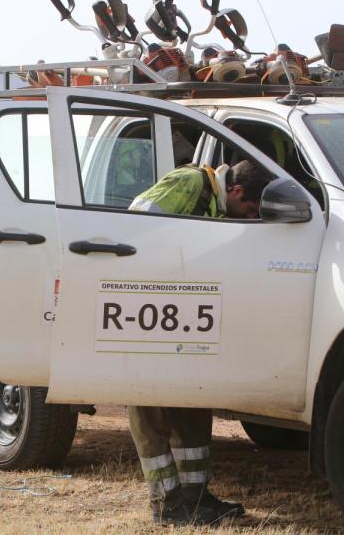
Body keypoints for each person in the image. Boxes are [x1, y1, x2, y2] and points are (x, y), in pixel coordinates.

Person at [126, 159, 271, 527]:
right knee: (150, 405)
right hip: (151, 305)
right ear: (236, 191)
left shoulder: (216, 203)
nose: (249, 219)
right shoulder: (191, 183)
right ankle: (167, 503)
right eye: (249, 210)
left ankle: (195, 497)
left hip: (184, 312)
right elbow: (134, 221)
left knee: (192, 400)